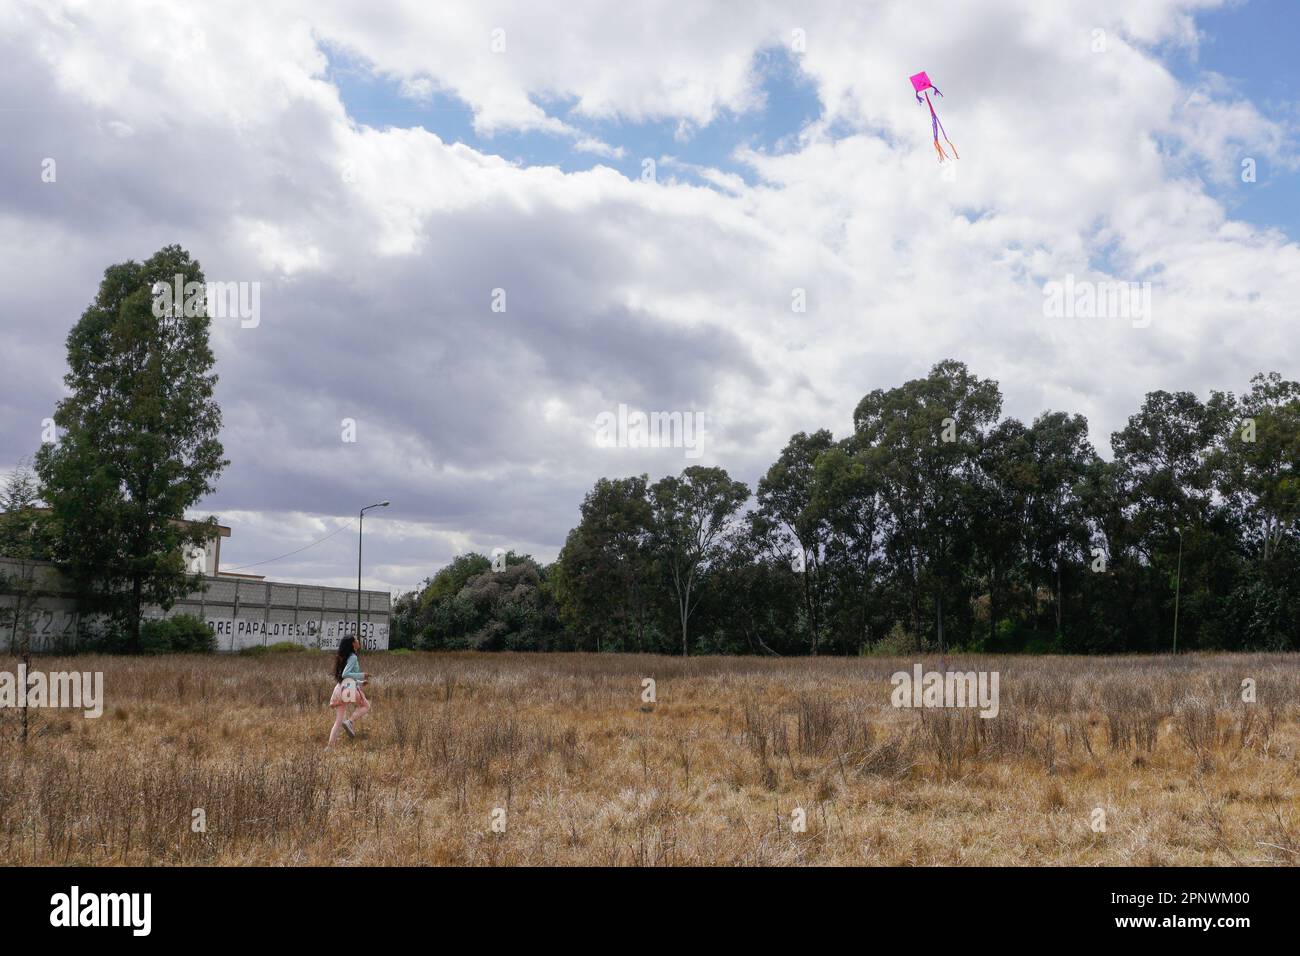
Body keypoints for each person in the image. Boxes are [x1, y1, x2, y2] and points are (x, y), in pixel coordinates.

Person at [327, 635, 370, 748]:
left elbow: (345, 678)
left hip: (340, 688)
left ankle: (330, 747)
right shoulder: (353, 657)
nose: (358, 641)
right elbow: (345, 674)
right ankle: (350, 721)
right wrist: (362, 674)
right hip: (349, 689)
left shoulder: (344, 657)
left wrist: (360, 682)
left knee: (338, 721)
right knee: (366, 706)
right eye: (356, 640)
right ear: (353, 644)